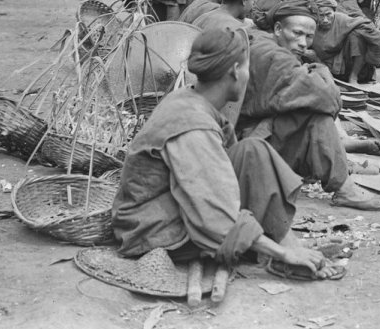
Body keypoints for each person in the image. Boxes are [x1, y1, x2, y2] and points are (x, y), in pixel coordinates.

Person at [112, 24, 344, 279]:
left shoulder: (192, 98)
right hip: (152, 228)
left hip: (174, 203)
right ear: (235, 71)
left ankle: (286, 242)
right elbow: (213, 214)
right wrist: (282, 254)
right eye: (248, 67)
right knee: (241, 183)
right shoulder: (192, 125)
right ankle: (284, 251)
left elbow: (229, 171)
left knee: (252, 150)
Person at [237, 0, 380, 211]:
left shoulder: (262, 42)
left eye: (308, 37)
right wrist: (321, 72)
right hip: (247, 144)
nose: (303, 43)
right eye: (297, 34)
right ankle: (343, 188)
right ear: (277, 29)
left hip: (256, 134)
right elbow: (328, 100)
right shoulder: (271, 55)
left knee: (307, 111)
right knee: (317, 117)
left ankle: (330, 167)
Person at [310, 0, 380, 84]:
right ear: (314, 14)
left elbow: (370, 29)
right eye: (321, 15)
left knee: (357, 35)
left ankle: (353, 76)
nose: (325, 20)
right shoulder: (311, 24)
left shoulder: (342, 19)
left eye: (328, 14)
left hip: (344, 65)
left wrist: (372, 58)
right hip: (321, 66)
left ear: (334, 12)